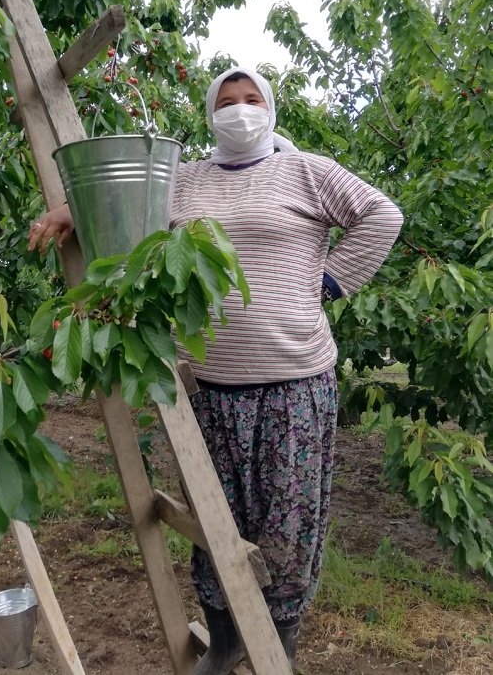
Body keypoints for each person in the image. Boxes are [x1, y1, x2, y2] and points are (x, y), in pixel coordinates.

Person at [27, 66, 403, 672]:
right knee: (216, 522)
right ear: (210, 114)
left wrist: (327, 282)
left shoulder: (305, 169)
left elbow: (382, 216)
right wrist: (70, 209)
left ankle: (276, 648)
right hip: (213, 385)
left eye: (252, 99)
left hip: (294, 386)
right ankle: (227, 644)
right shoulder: (187, 179)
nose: (240, 110)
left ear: (270, 107)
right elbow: (126, 198)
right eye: (226, 102)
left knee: (285, 526)